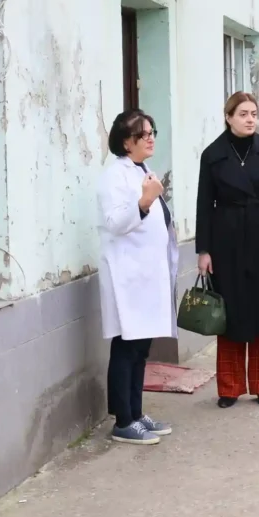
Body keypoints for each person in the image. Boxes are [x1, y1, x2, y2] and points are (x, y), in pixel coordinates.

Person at [196, 92, 259, 408]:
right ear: (229, 117)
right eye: (243, 113)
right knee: (231, 312)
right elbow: (203, 206)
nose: (250, 119)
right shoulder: (213, 155)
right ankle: (230, 387)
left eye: (254, 113)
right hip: (225, 239)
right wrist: (204, 250)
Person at [97, 109, 178, 445]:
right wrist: (145, 202)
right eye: (143, 134)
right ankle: (122, 420)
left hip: (147, 275)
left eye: (152, 131)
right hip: (127, 277)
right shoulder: (113, 175)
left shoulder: (141, 169)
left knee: (141, 347)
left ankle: (136, 410)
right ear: (126, 142)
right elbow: (115, 222)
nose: (150, 138)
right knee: (127, 347)